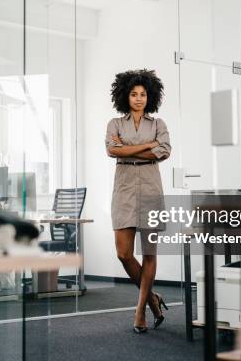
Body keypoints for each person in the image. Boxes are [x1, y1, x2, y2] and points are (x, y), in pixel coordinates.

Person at [105, 69, 171, 333]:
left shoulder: (159, 124)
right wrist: (147, 147)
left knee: (150, 254)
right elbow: (112, 150)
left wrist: (128, 149)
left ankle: (141, 310)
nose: (139, 98)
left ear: (150, 96)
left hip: (151, 189)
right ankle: (154, 299)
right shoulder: (114, 124)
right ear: (125, 96)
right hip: (124, 189)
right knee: (123, 253)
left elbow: (164, 151)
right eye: (134, 94)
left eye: (143, 94)